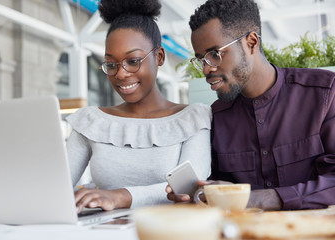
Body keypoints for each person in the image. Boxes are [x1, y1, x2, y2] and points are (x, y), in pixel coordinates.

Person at [167, 0, 335, 210]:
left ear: (251, 42)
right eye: (201, 59)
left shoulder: (324, 93)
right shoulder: (217, 117)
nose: (206, 70)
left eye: (214, 55)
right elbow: (218, 190)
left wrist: (258, 198)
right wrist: (202, 194)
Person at [65, 0, 212, 213]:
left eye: (133, 61)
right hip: (102, 231)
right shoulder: (91, 121)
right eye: (111, 64)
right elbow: (58, 188)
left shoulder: (192, 118)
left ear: (159, 57)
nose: (121, 74)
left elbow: (190, 190)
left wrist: (119, 196)